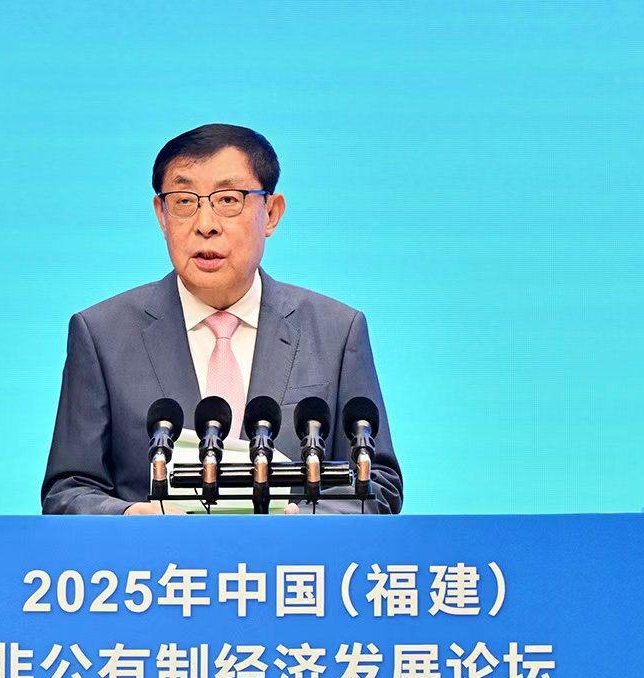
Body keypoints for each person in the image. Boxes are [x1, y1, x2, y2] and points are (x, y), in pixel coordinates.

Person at [41, 123, 402, 515]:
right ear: (161, 215)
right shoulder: (102, 335)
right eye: (184, 201)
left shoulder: (337, 331)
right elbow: (68, 490)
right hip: (160, 555)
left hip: (291, 554)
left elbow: (378, 484)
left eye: (228, 200)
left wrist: (305, 523)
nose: (205, 224)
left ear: (271, 213)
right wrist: (130, 517)